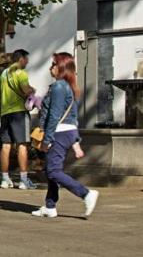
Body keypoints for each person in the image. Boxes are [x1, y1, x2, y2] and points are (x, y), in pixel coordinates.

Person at [31, 53, 99, 219]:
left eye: (54, 64)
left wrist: (47, 139)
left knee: (53, 171)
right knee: (51, 170)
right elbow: (72, 116)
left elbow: (54, 115)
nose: (51, 67)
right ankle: (50, 206)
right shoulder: (68, 87)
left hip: (58, 133)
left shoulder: (59, 87)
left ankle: (86, 194)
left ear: (61, 68)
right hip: (66, 132)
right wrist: (75, 141)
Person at [0, 49, 37, 189]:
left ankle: (5, 179)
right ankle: (23, 180)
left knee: (5, 145)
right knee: (22, 145)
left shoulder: (3, 74)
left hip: (5, 113)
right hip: (19, 113)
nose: (27, 62)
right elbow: (26, 91)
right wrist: (33, 91)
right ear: (21, 59)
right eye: (26, 59)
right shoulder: (21, 73)